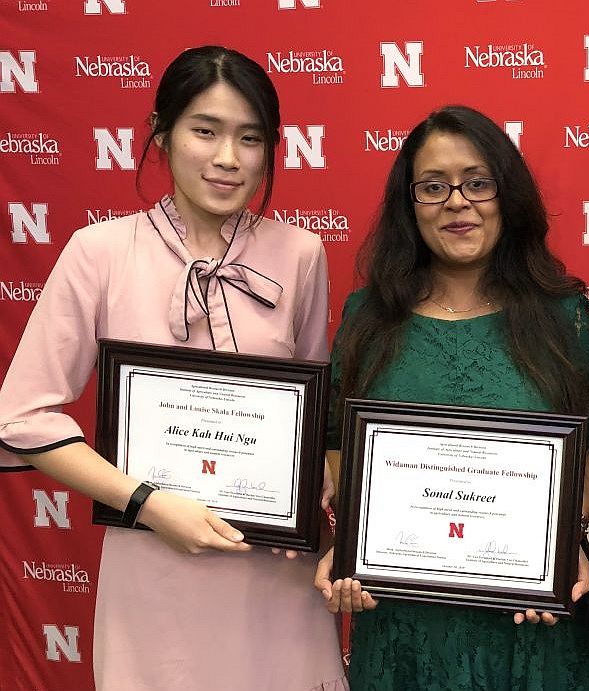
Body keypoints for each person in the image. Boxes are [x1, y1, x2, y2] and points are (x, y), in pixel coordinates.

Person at [0, 46, 346, 690]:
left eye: (250, 138)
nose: (227, 158)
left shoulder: (301, 254)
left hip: (273, 566)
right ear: (162, 134)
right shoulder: (98, 251)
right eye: (204, 130)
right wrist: (150, 504)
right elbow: (21, 417)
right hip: (153, 562)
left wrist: (321, 482)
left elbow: (312, 410)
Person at [313, 105, 589, 691]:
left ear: (508, 196)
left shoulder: (563, 317)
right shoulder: (368, 318)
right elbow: (338, 447)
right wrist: (354, 544)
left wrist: (553, 548)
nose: (457, 202)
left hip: (538, 620)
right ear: (409, 204)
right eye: (433, 187)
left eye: (478, 183)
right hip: (405, 623)